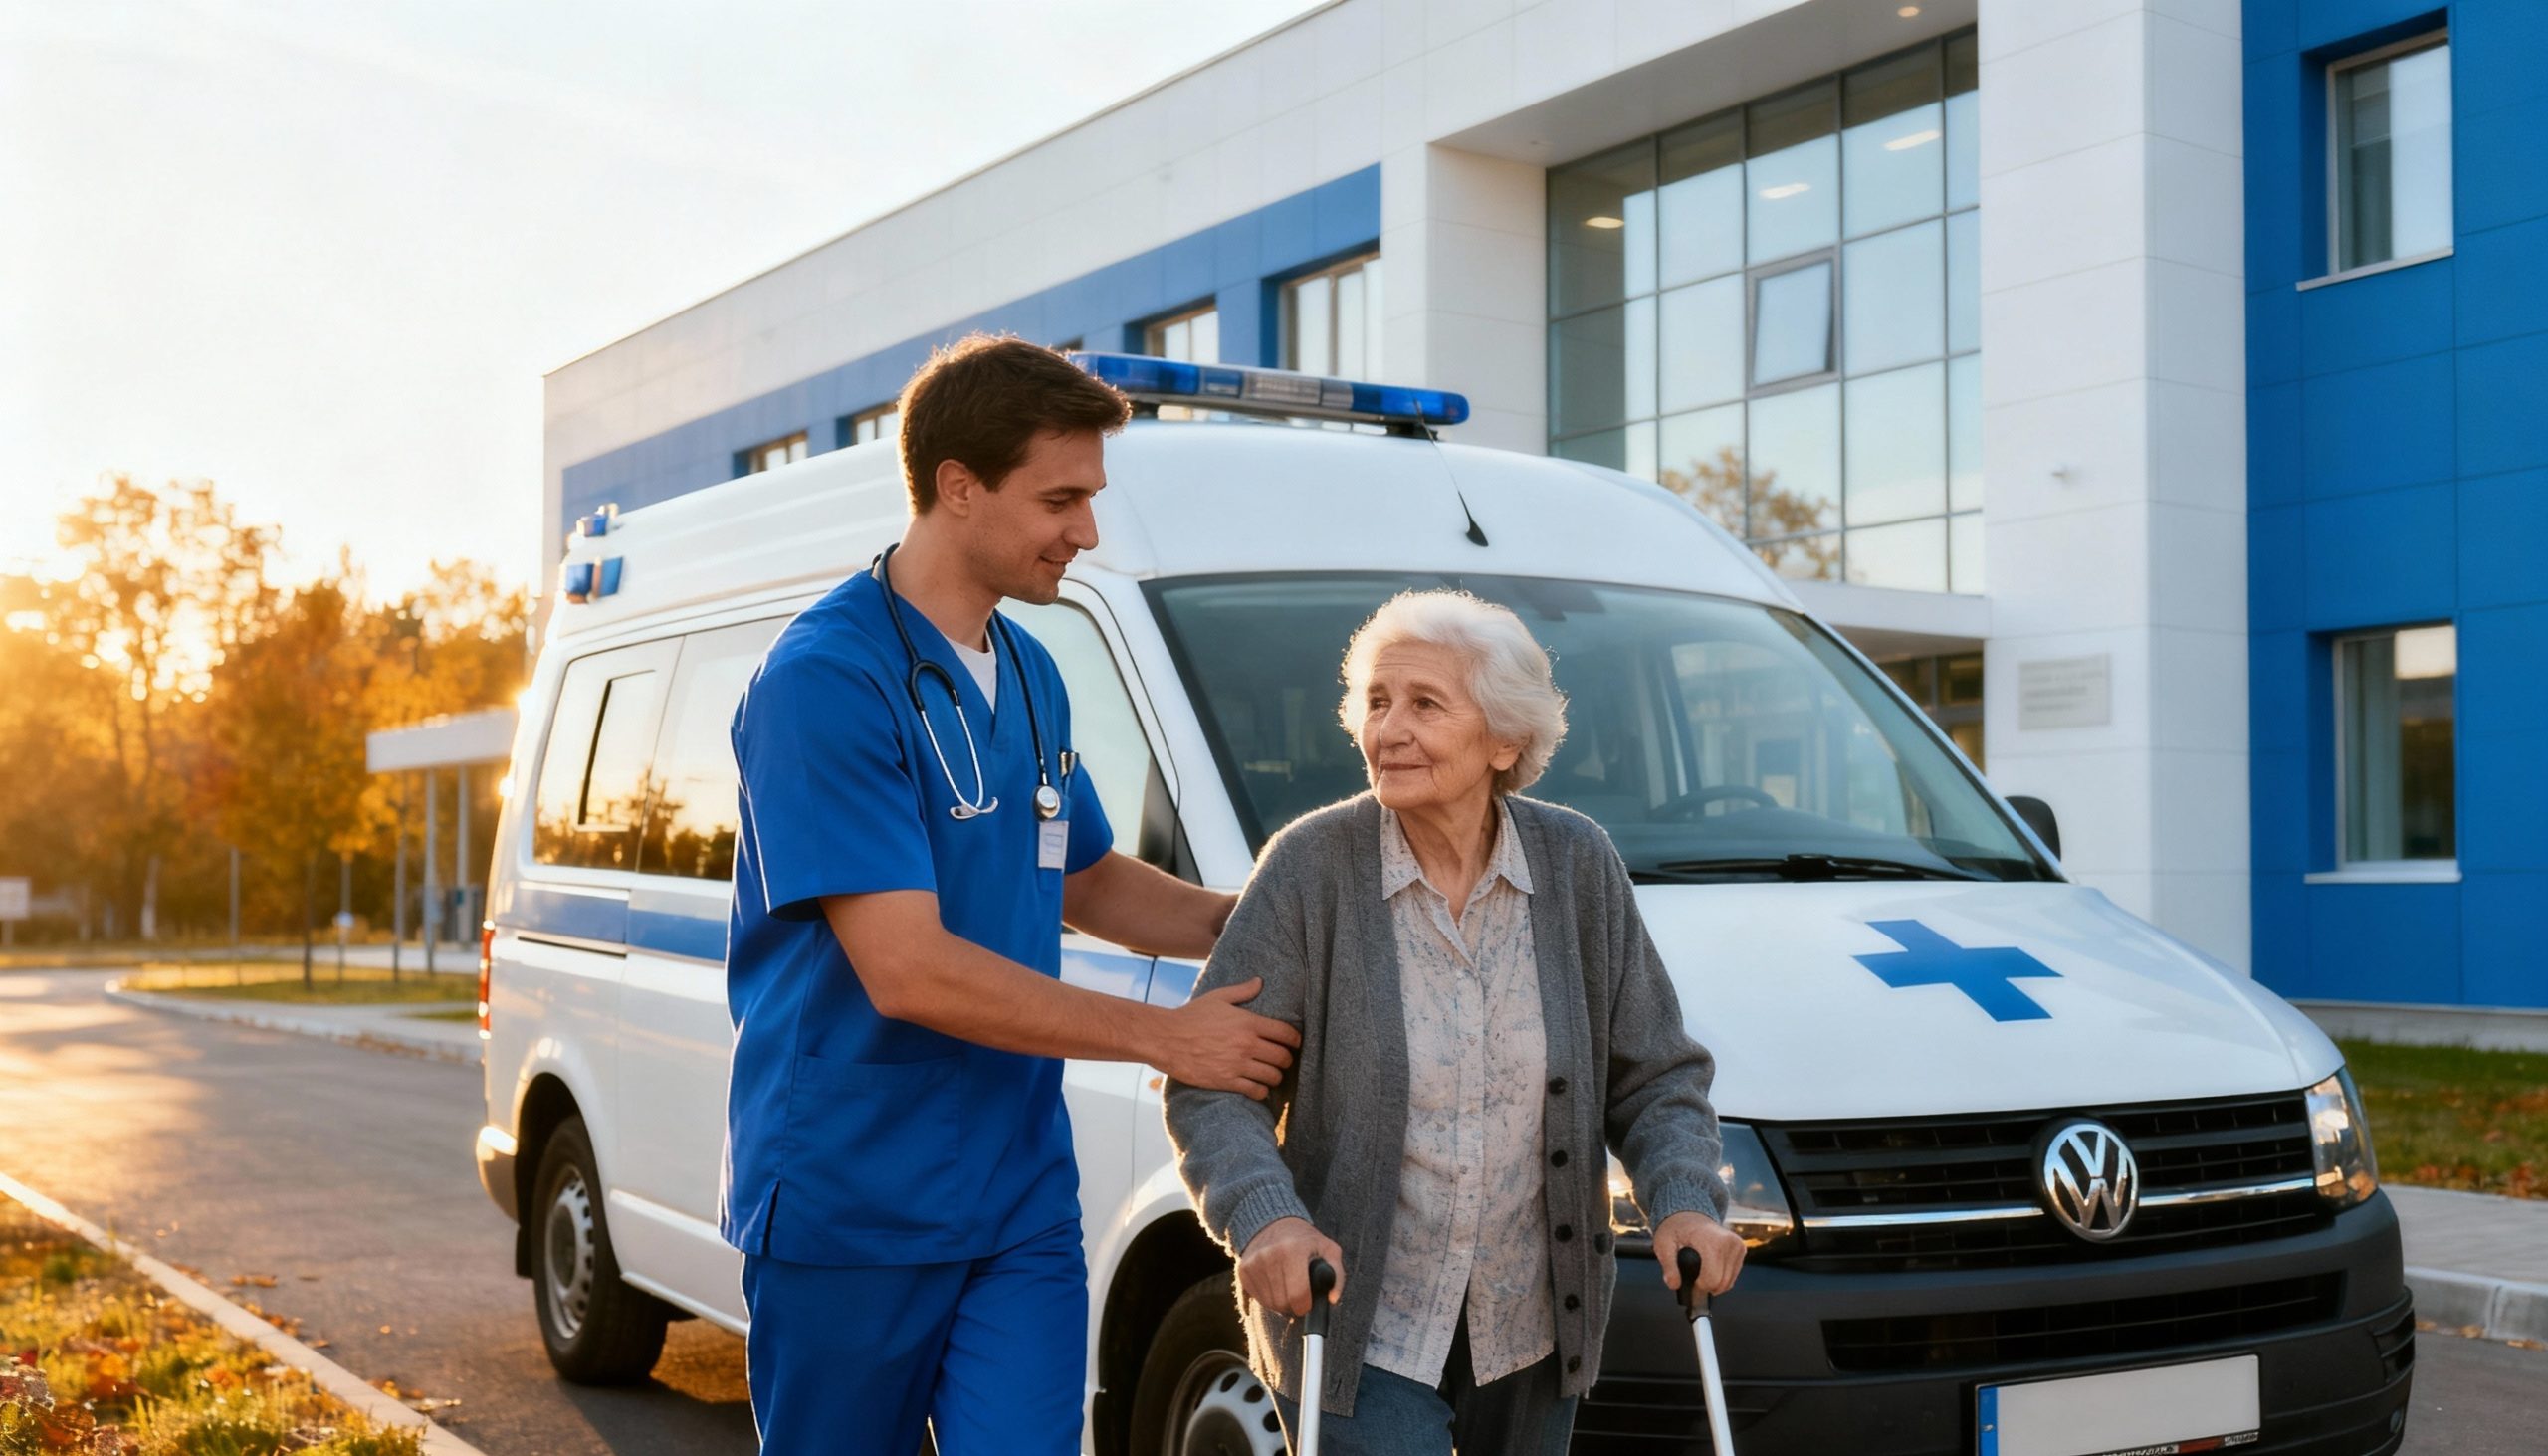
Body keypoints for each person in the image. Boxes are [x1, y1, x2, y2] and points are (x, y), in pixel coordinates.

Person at [724, 334, 1300, 1455]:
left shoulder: (1030, 669)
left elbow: (1082, 875)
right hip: (852, 1201)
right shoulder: (824, 681)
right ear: (957, 486)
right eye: (1060, 497)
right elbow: (907, 966)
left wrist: (1280, 914)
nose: (1085, 529)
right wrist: (1165, 1037)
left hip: (1015, 1192)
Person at [1165, 587, 1745, 1456]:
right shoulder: (1309, 869)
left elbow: (1654, 1074)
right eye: (1375, 701)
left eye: (1425, 703)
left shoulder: (1578, 864)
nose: (1387, 729)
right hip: (1354, 1321)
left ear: (1504, 739)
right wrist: (1268, 1218)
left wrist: (1685, 1202)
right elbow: (1213, 1088)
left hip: (1534, 1325)